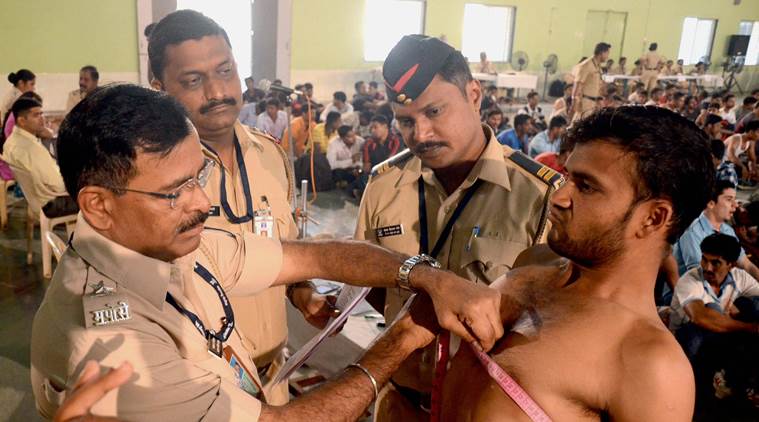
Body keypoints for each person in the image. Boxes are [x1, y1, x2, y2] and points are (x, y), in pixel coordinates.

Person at [31, 83, 505, 421]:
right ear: (99, 205)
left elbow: (314, 256)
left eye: (199, 175)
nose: (203, 201)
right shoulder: (111, 345)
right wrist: (401, 339)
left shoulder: (163, 243)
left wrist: (423, 275)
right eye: (176, 190)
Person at [442, 106, 714, 421]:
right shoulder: (532, 266)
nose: (558, 197)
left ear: (653, 218)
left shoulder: (652, 365)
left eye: (586, 186)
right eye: (567, 177)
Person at [356, 34, 562, 422]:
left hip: (483, 410)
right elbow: (370, 286)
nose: (421, 134)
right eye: (405, 121)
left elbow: (552, 322)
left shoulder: (539, 197)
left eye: (434, 111)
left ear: (474, 94)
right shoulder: (384, 185)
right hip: (399, 402)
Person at [148, 10, 318, 405]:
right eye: (193, 81)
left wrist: (303, 292)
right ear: (159, 89)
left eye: (225, 71)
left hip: (275, 375)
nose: (216, 92)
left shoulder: (270, 155)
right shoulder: (152, 177)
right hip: (203, 392)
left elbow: (285, 247)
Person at [670, 233, 759, 360]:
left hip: (719, 336)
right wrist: (749, 327)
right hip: (683, 341)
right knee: (712, 309)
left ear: (731, 265)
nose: (707, 268)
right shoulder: (689, 279)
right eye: (704, 259)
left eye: (715, 263)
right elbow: (699, 317)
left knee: (753, 304)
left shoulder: (739, 277)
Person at [1, 97, 78, 217]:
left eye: (42, 114)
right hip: (54, 203)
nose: (42, 119)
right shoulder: (32, 149)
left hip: (37, 201)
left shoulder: (11, 142)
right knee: (101, 196)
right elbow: (59, 185)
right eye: (36, 115)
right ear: (22, 121)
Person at [673, 180, 759, 283]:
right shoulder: (692, 231)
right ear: (711, 203)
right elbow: (701, 276)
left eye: (734, 199)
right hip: (689, 289)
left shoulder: (727, 230)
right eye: (729, 199)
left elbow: (746, 264)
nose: (735, 205)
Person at [570, 42, 609, 122]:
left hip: (594, 103)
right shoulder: (587, 65)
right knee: (579, 125)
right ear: (601, 53)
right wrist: (574, 102)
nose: (607, 56)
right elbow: (578, 84)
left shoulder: (598, 66)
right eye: (607, 53)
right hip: (585, 103)